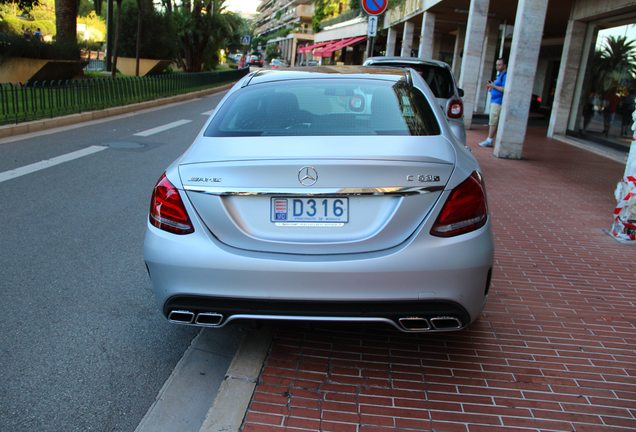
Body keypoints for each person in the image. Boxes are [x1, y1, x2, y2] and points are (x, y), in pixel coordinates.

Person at [479, 58, 507, 147]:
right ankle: (489, 139)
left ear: (505, 65)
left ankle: (489, 140)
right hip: (494, 100)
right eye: (496, 64)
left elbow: (504, 89)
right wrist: (492, 87)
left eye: (499, 64)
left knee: (493, 121)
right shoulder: (499, 75)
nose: (497, 66)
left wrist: (493, 86)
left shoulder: (505, 75)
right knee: (492, 121)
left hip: (498, 102)